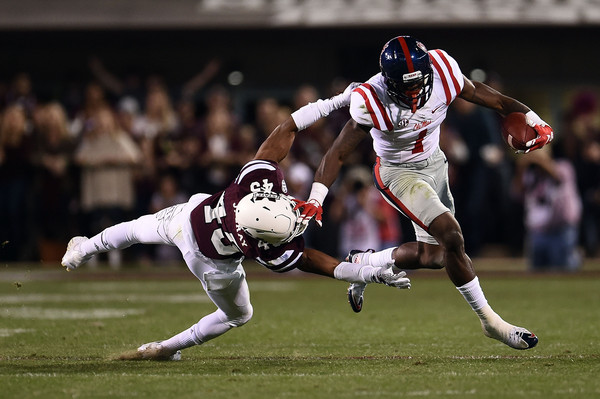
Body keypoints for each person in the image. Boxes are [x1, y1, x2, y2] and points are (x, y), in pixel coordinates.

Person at [61, 83, 411, 361]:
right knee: (237, 316)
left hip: (190, 219)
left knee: (138, 228)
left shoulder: (252, 184)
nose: (291, 208)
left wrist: (338, 100)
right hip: (213, 264)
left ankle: (82, 250)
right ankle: (166, 347)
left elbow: (288, 125)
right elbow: (328, 266)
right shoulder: (267, 245)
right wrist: (368, 272)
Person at [295, 36, 554, 350]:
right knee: (453, 236)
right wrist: (316, 199)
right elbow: (337, 153)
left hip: (435, 164)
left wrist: (532, 117)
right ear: (388, 83)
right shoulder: (371, 98)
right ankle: (491, 321)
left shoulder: (442, 67)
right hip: (397, 171)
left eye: (419, 85)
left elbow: (494, 100)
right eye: (407, 89)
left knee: (434, 257)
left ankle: (363, 261)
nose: (416, 94)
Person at [513, 147, 582, 271]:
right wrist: (521, 168)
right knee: (537, 273)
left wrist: (539, 160)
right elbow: (516, 193)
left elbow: (558, 177)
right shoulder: (530, 174)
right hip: (538, 231)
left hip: (561, 229)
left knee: (564, 270)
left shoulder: (563, 166)